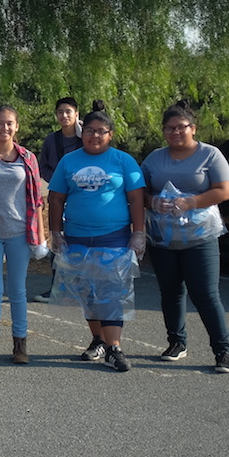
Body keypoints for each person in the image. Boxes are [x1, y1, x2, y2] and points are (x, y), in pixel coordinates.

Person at [47, 105, 146, 372]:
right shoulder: (69, 161)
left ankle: (114, 348)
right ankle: (98, 339)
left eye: (101, 132)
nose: (94, 136)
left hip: (113, 238)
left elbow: (137, 198)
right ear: (82, 133)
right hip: (77, 237)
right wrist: (55, 232)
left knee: (111, 293)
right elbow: (56, 198)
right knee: (87, 292)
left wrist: (139, 233)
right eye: (89, 131)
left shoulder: (123, 161)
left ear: (110, 134)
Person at [141, 101, 229, 373]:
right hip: (163, 238)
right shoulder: (154, 158)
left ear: (193, 128)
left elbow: (223, 190)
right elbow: (140, 192)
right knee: (171, 291)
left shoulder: (210, 155)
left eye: (180, 127)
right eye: (169, 128)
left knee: (205, 293)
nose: (175, 133)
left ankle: (222, 350)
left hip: (200, 238)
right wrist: (153, 202)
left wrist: (192, 202)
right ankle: (176, 342)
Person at [0, 105, 44, 367]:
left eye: (10, 123)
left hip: (20, 234)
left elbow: (37, 200)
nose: (5, 128)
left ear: (17, 126)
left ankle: (20, 344)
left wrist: (40, 236)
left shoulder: (28, 158)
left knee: (18, 291)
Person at [34, 97, 83, 302]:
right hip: (58, 197)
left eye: (68, 111)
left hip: (82, 196)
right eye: (60, 112)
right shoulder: (51, 140)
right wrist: (57, 180)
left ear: (76, 114)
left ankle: (82, 287)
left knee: (80, 240)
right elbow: (42, 165)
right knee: (58, 239)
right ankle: (56, 288)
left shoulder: (85, 138)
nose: (64, 116)